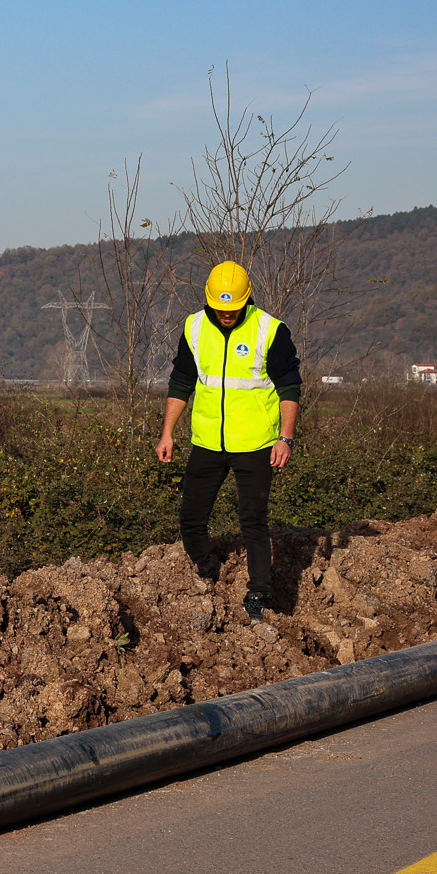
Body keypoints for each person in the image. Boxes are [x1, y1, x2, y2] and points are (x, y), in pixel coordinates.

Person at [155, 260, 302, 620]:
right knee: (191, 518)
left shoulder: (270, 330)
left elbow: (290, 388)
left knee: (253, 521)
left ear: (246, 301)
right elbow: (181, 383)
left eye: (233, 309)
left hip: (254, 444)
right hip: (206, 441)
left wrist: (286, 438)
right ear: (209, 302)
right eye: (220, 309)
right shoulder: (193, 327)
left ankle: (260, 595)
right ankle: (206, 574)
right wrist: (167, 432)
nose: (226, 314)